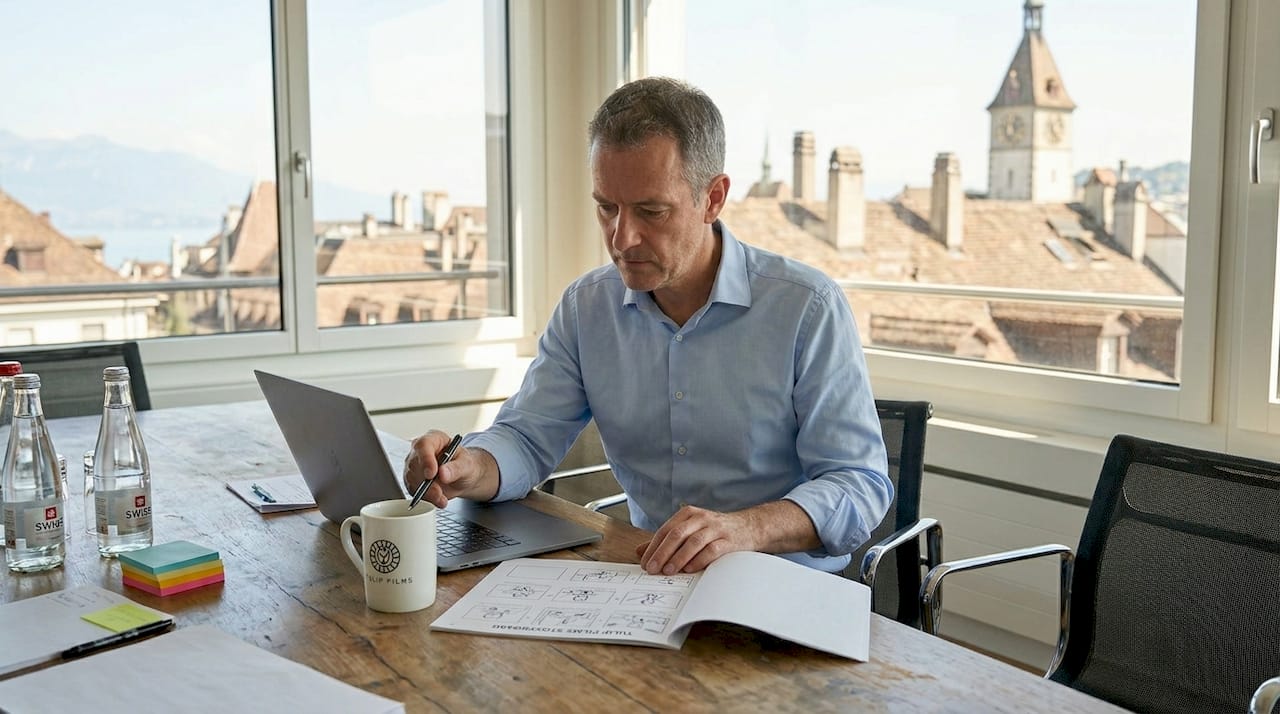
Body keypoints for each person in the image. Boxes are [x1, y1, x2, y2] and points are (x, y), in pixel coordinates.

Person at [404, 77, 891, 575]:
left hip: (785, 586)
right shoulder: (586, 308)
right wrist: (470, 466)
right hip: (650, 580)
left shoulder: (806, 307)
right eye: (606, 208)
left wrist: (746, 529)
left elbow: (859, 484)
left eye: (651, 211)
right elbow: (527, 438)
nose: (622, 238)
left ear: (713, 198)